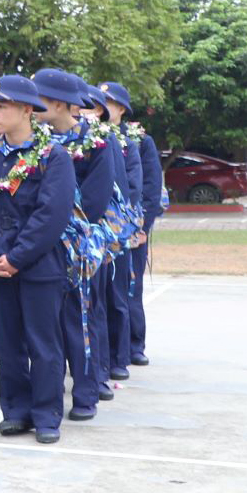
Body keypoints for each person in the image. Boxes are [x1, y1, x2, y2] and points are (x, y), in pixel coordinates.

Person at [0, 75, 73, 444]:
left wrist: (16, 257)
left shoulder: (53, 156)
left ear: (27, 110)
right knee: (8, 344)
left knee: (43, 343)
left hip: (38, 265)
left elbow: (51, 215)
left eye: (2, 107)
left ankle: (46, 415)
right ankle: (15, 411)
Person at [33, 70, 117, 421]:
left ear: (59, 104)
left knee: (80, 319)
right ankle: (47, 394)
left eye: (39, 99)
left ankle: (85, 393)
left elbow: (97, 198)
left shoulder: (97, 141)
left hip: (79, 244)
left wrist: (65, 228)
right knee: (45, 325)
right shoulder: (35, 140)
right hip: (40, 242)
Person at [101, 82, 159, 368]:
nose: (100, 108)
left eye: (107, 103)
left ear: (121, 109)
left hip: (131, 227)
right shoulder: (91, 138)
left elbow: (149, 187)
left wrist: (142, 228)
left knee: (129, 290)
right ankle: (110, 349)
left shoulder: (139, 140)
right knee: (107, 292)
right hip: (102, 230)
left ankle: (134, 345)